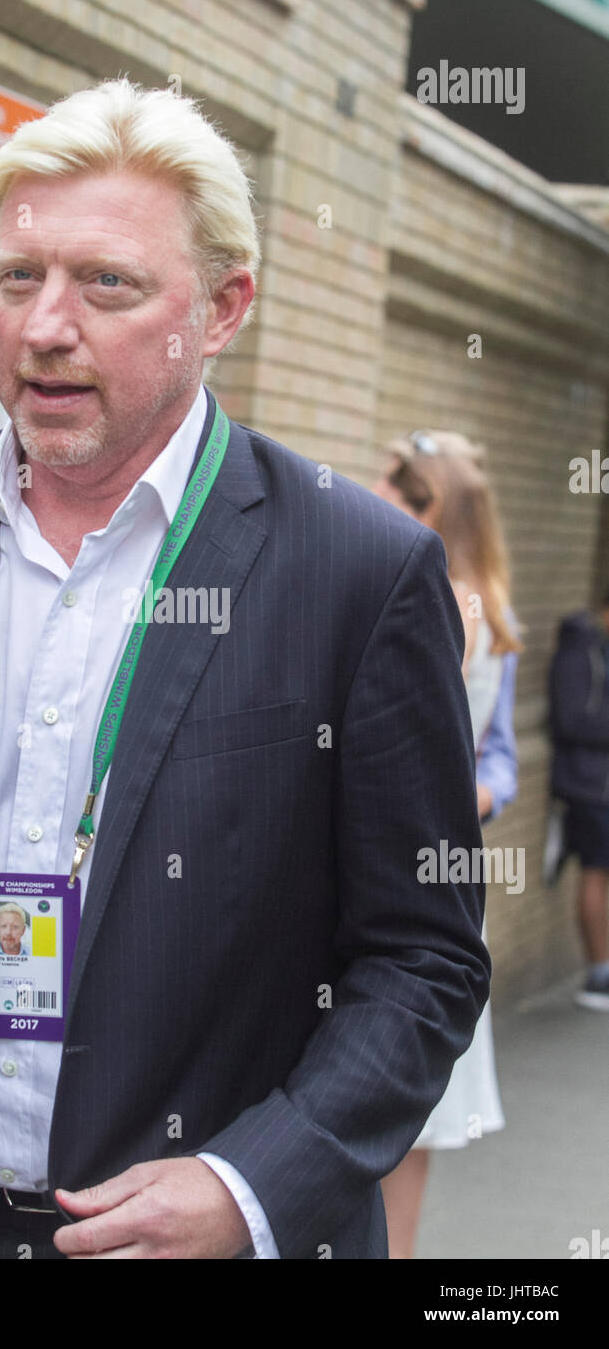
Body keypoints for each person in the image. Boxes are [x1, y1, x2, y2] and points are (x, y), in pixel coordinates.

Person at [0, 78, 489, 1261]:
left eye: (107, 285)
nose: (45, 325)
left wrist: (251, 1184)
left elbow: (422, 958)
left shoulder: (359, 573)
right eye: (18, 278)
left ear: (222, 307)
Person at [373, 428, 522, 1259]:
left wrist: (469, 796)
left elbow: (485, 751)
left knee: (395, 1096)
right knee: (414, 1114)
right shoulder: (480, 599)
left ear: (423, 503)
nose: (368, 501)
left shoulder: (431, 598)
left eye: (385, 488)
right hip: (446, 871)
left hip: (410, 876)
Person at [548, 590, 609, 1011]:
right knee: (594, 870)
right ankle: (598, 972)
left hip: (601, 784)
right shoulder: (579, 650)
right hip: (587, 788)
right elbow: (569, 719)